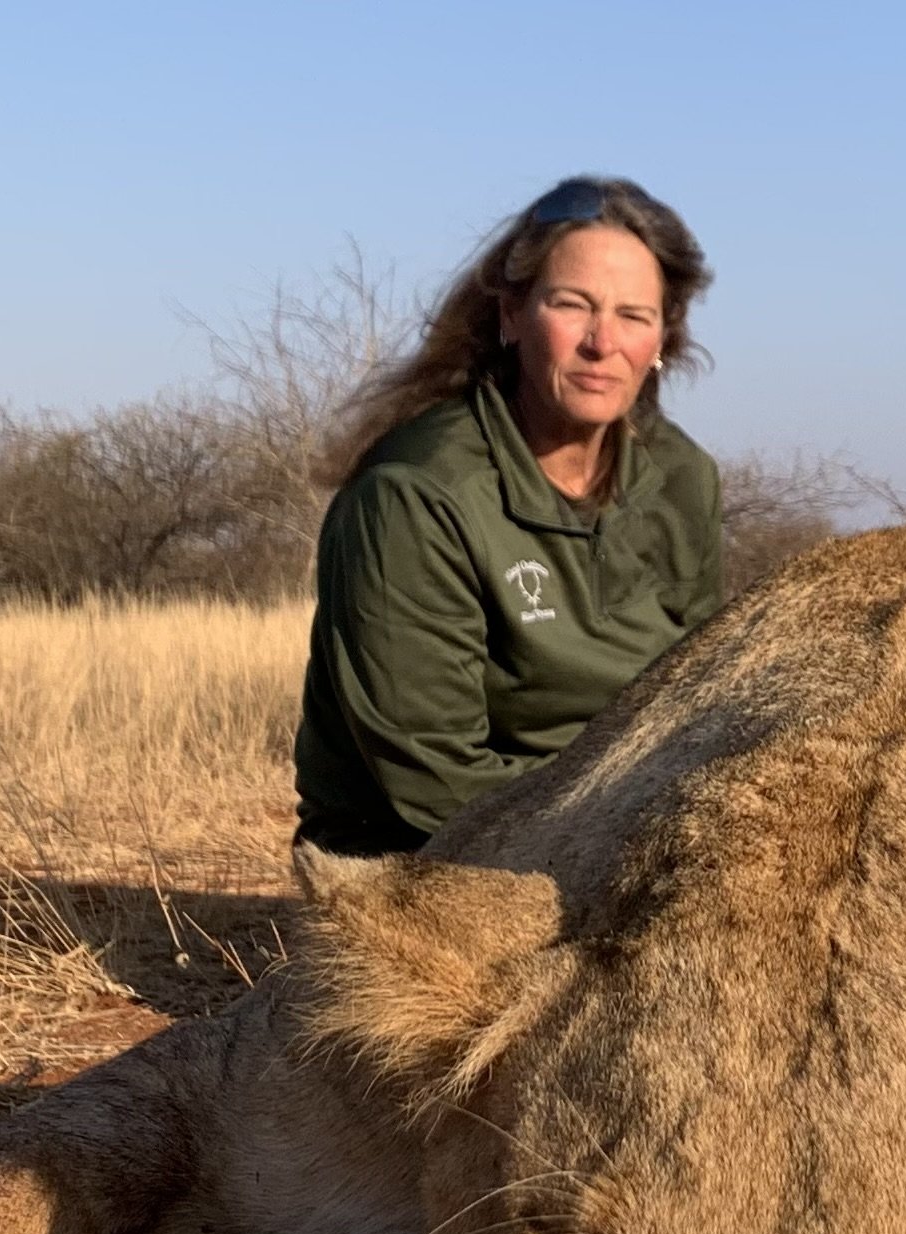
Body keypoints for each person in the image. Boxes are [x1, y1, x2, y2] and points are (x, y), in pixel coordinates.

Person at [293, 177, 722, 856]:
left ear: (663, 338)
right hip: (435, 854)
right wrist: (632, 838)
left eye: (634, 316)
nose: (602, 341)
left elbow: (704, 703)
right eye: (571, 305)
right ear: (511, 314)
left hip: (627, 829)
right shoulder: (414, 492)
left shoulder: (684, 481)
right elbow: (434, 779)